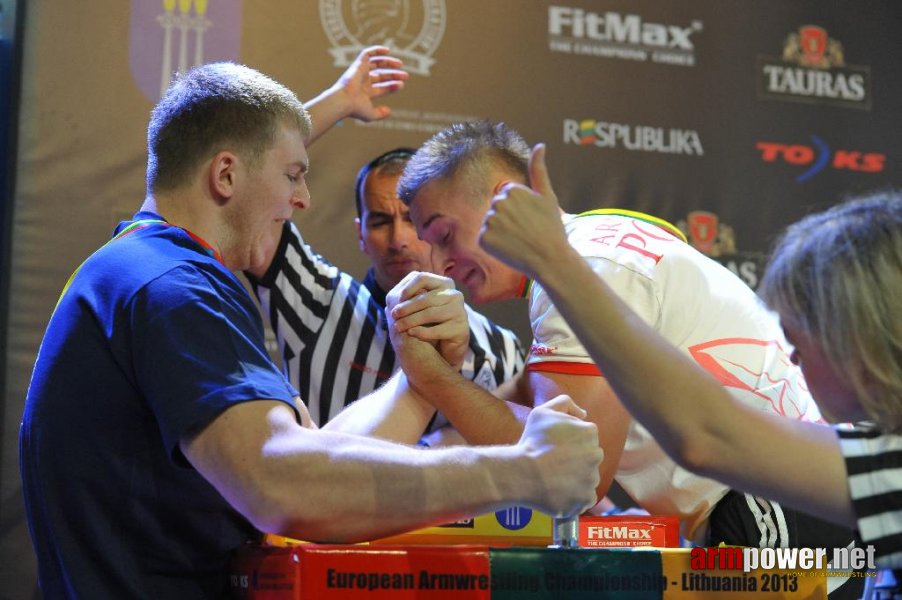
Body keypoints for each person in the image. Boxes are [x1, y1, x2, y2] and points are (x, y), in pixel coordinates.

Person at [17, 61, 603, 597]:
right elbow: (281, 481)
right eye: (294, 174)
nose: (301, 198)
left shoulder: (146, 270)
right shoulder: (170, 285)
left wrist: (420, 379)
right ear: (226, 174)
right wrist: (525, 469)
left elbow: (311, 457)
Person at [392, 120, 862, 596]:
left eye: (445, 235)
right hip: (797, 496)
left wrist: (431, 376)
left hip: (777, 502)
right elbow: (527, 419)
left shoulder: (586, 267)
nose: (438, 262)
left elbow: (575, 469)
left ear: (507, 198)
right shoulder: (599, 244)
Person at [480, 180, 902, 584]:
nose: (791, 357)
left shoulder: (888, 466)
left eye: (801, 339)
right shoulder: (877, 460)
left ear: (863, 336)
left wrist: (555, 262)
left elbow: (704, 435)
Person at [247, 146, 524, 428]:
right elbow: (249, 188)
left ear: (441, 227)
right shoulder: (316, 299)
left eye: (411, 220)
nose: (398, 240)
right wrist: (338, 103)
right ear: (361, 235)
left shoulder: (503, 349)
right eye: (380, 221)